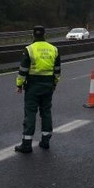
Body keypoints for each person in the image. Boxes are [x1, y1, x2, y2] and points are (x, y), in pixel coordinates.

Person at [14, 25, 61, 153]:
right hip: (48, 85)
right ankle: (45, 142)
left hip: (33, 85)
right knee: (46, 112)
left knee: (30, 113)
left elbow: (23, 70)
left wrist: (19, 85)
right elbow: (57, 70)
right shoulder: (54, 49)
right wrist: (55, 83)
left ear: (33, 35)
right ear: (45, 35)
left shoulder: (29, 49)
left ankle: (27, 144)